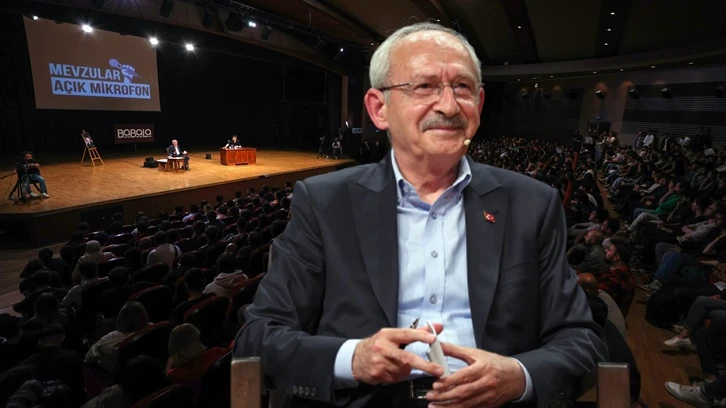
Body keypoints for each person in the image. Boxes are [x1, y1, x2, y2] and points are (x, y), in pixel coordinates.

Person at [234, 22, 606, 408]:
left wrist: (518, 376)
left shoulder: (533, 204)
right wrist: (353, 359)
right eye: (424, 86)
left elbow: (582, 339)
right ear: (379, 109)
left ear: (479, 105)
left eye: (462, 87)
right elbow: (259, 337)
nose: (449, 106)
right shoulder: (325, 202)